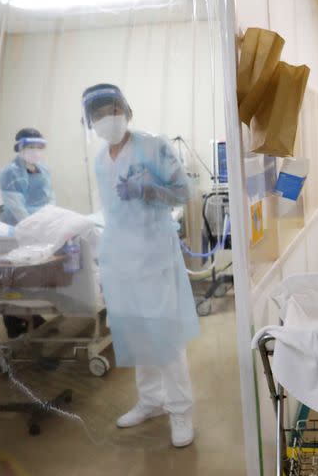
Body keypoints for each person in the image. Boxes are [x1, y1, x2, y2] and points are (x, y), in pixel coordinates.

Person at [82, 83, 200, 448]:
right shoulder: (101, 160)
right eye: (98, 115)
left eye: (111, 111)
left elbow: (186, 192)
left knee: (163, 332)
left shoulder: (153, 146)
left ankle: (180, 409)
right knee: (134, 332)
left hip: (154, 256)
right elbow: (114, 213)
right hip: (121, 259)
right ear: (91, 122)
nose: (106, 120)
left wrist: (152, 190)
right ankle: (151, 401)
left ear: (126, 110)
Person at [0, 128, 54, 338]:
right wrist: (37, 228)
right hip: (16, 231)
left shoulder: (43, 170)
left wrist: (51, 222)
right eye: (30, 146)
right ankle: (14, 324)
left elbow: (50, 199)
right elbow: (17, 209)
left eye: (39, 146)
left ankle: (34, 316)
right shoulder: (10, 172)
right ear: (19, 147)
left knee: (33, 279)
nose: (35, 151)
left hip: (39, 229)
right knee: (14, 280)